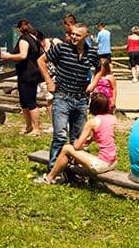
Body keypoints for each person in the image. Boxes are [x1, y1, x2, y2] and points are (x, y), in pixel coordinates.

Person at [39, 22, 101, 167]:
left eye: (77, 35)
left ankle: (73, 167)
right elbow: (41, 60)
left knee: (77, 137)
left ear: (85, 37)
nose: (73, 37)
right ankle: (54, 169)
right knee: (60, 136)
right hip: (62, 96)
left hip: (81, 99)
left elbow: (100, 68)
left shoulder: (91, 52)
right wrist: (48, 81)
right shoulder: (62, 48)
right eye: (72, 33)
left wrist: (93, 84)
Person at [36, 93, 117, 184]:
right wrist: (90, 140)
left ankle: (49, 177)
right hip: (113, 162)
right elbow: (105, 136)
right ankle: (73, 175)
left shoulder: (92, 122)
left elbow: (77, 146)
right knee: (76, 153)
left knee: (67, 148)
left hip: (102, 164)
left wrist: (76, 143)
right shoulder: (112, 119)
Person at [2, 20, 45, 136]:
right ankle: (29, 126)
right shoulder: (34, 38)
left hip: (27, 74)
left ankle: (36, 128)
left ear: (19, 29)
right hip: (33, 72)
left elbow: (23, 55)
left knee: (30, 102)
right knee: (24, 102)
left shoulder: (24, 39)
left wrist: (8, 56)